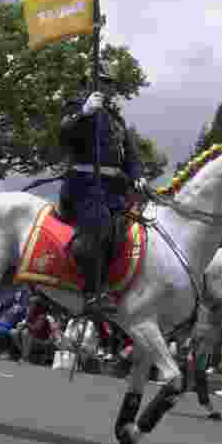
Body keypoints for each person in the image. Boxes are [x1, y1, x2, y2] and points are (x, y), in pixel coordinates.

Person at [59, 63, 146, 315]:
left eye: (109, 83)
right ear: (89, 82)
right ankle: (92, 291)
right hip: (83, 186)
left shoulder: (116, 119)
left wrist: (137, 176)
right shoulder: (76, 107)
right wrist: (85, 113)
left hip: (112, 189)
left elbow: (130, 154)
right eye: (102, 82)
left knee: (130, 229)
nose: (107, 87)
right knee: (100, 224)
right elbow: (64, 136)